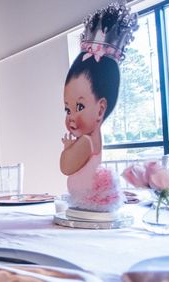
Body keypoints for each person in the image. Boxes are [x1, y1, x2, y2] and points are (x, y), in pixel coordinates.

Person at [60, 3, 138, 211]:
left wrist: (68, 150)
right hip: (82, 203)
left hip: (88, 206)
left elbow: (66, 167)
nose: (71, 116)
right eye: (68, 109)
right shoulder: (90, 137)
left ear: (101, 109)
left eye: (79, 106)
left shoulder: (85, 140)